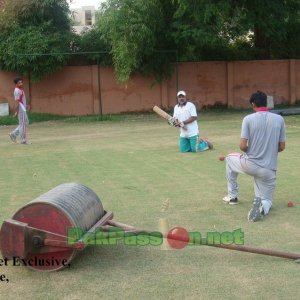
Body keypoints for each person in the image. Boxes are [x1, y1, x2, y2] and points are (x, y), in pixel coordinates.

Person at [223, 90, 286, 222]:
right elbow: (281, 147)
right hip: (269, 169)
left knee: (229, 158)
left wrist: (253, 152)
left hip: (250, 164)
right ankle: (263, 207)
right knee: (267, 200)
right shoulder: (279, 119)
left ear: (253, 104)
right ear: (266, 103)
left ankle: (232, 196)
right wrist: (267, 152)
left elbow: (242, 146)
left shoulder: (248, 119)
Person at [8, 77, 30, 145]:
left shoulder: (20, 90)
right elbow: (17, 102)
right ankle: (23, 140)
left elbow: (21, 100)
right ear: (16, 84)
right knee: (23, 124)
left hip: (23, 108)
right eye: (19, 83)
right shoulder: (17, 91)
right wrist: (16, 111)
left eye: (21, 82)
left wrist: (26, 105)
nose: (21, 83)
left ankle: (13, 134)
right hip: (21, 109)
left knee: (25, 122)